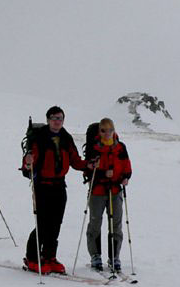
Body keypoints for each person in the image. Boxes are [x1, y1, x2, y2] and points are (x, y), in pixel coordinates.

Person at [21, 106, 92, 274]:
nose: (57, 121)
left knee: (56, 223)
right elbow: (28, 163)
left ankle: (49, 257)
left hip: (59, 185)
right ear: (47, 119)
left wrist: (88, 165)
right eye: (53, 118)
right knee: (43, 223)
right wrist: (28, 162)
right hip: (42, 185)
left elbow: (75, 161)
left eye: (60, 118)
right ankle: (32, 257)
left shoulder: (66, 138)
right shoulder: (39, 137)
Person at [84, 118, 132, 273]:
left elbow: (127, 166)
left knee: (116, 224)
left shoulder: (120, 147)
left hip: (115, 190)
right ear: (99, 131)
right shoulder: (94, 148)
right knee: (95, 223)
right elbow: (88, 170)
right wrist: (103, 172)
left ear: (114, 130)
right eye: (103, 130)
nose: (107, 133)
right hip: (98, 190)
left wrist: (125, 177)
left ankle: (114, 257)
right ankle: (95, 256)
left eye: (110, 130)